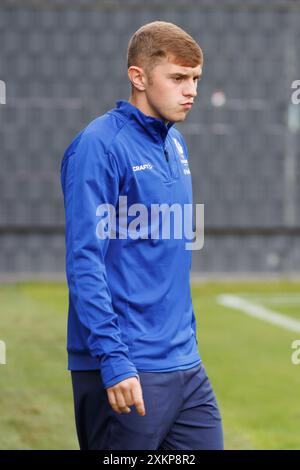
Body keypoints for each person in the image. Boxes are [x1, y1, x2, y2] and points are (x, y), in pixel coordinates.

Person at [60, 20, 223, 450]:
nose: (191, 91)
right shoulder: (99, 145)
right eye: (177, 78)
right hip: (127, 367)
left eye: (195, 79)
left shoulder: (176, 144)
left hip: (185, 367)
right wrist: (114, 361)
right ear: (138, 77)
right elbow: (84, 261)